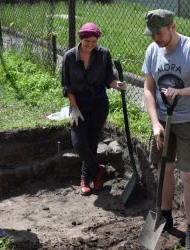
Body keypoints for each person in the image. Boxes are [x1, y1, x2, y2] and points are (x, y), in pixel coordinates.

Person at [142, 9, 190, 249]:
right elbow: (148, 89)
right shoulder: (153, 50)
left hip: (188, 120)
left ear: (173, 27)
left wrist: (183, 92)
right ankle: (165, 217)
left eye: (160, 33)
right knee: (164, 168)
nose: (156, 38)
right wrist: (155, 123)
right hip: (164, 120)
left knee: (188, 175)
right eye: (152, 34)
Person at [61, 22, 125, 196]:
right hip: (78, 104)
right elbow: (67, 86)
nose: (90, 45)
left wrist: (117, 84)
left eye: (94, 41)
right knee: (79, 144)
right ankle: (98, 170)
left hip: (99, 104)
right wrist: (74, 107)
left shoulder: (103, 55)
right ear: (80, 39)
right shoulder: (69, 57)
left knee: (91, 142)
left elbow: (108, 79)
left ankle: (84, 178)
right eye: (87, 41)